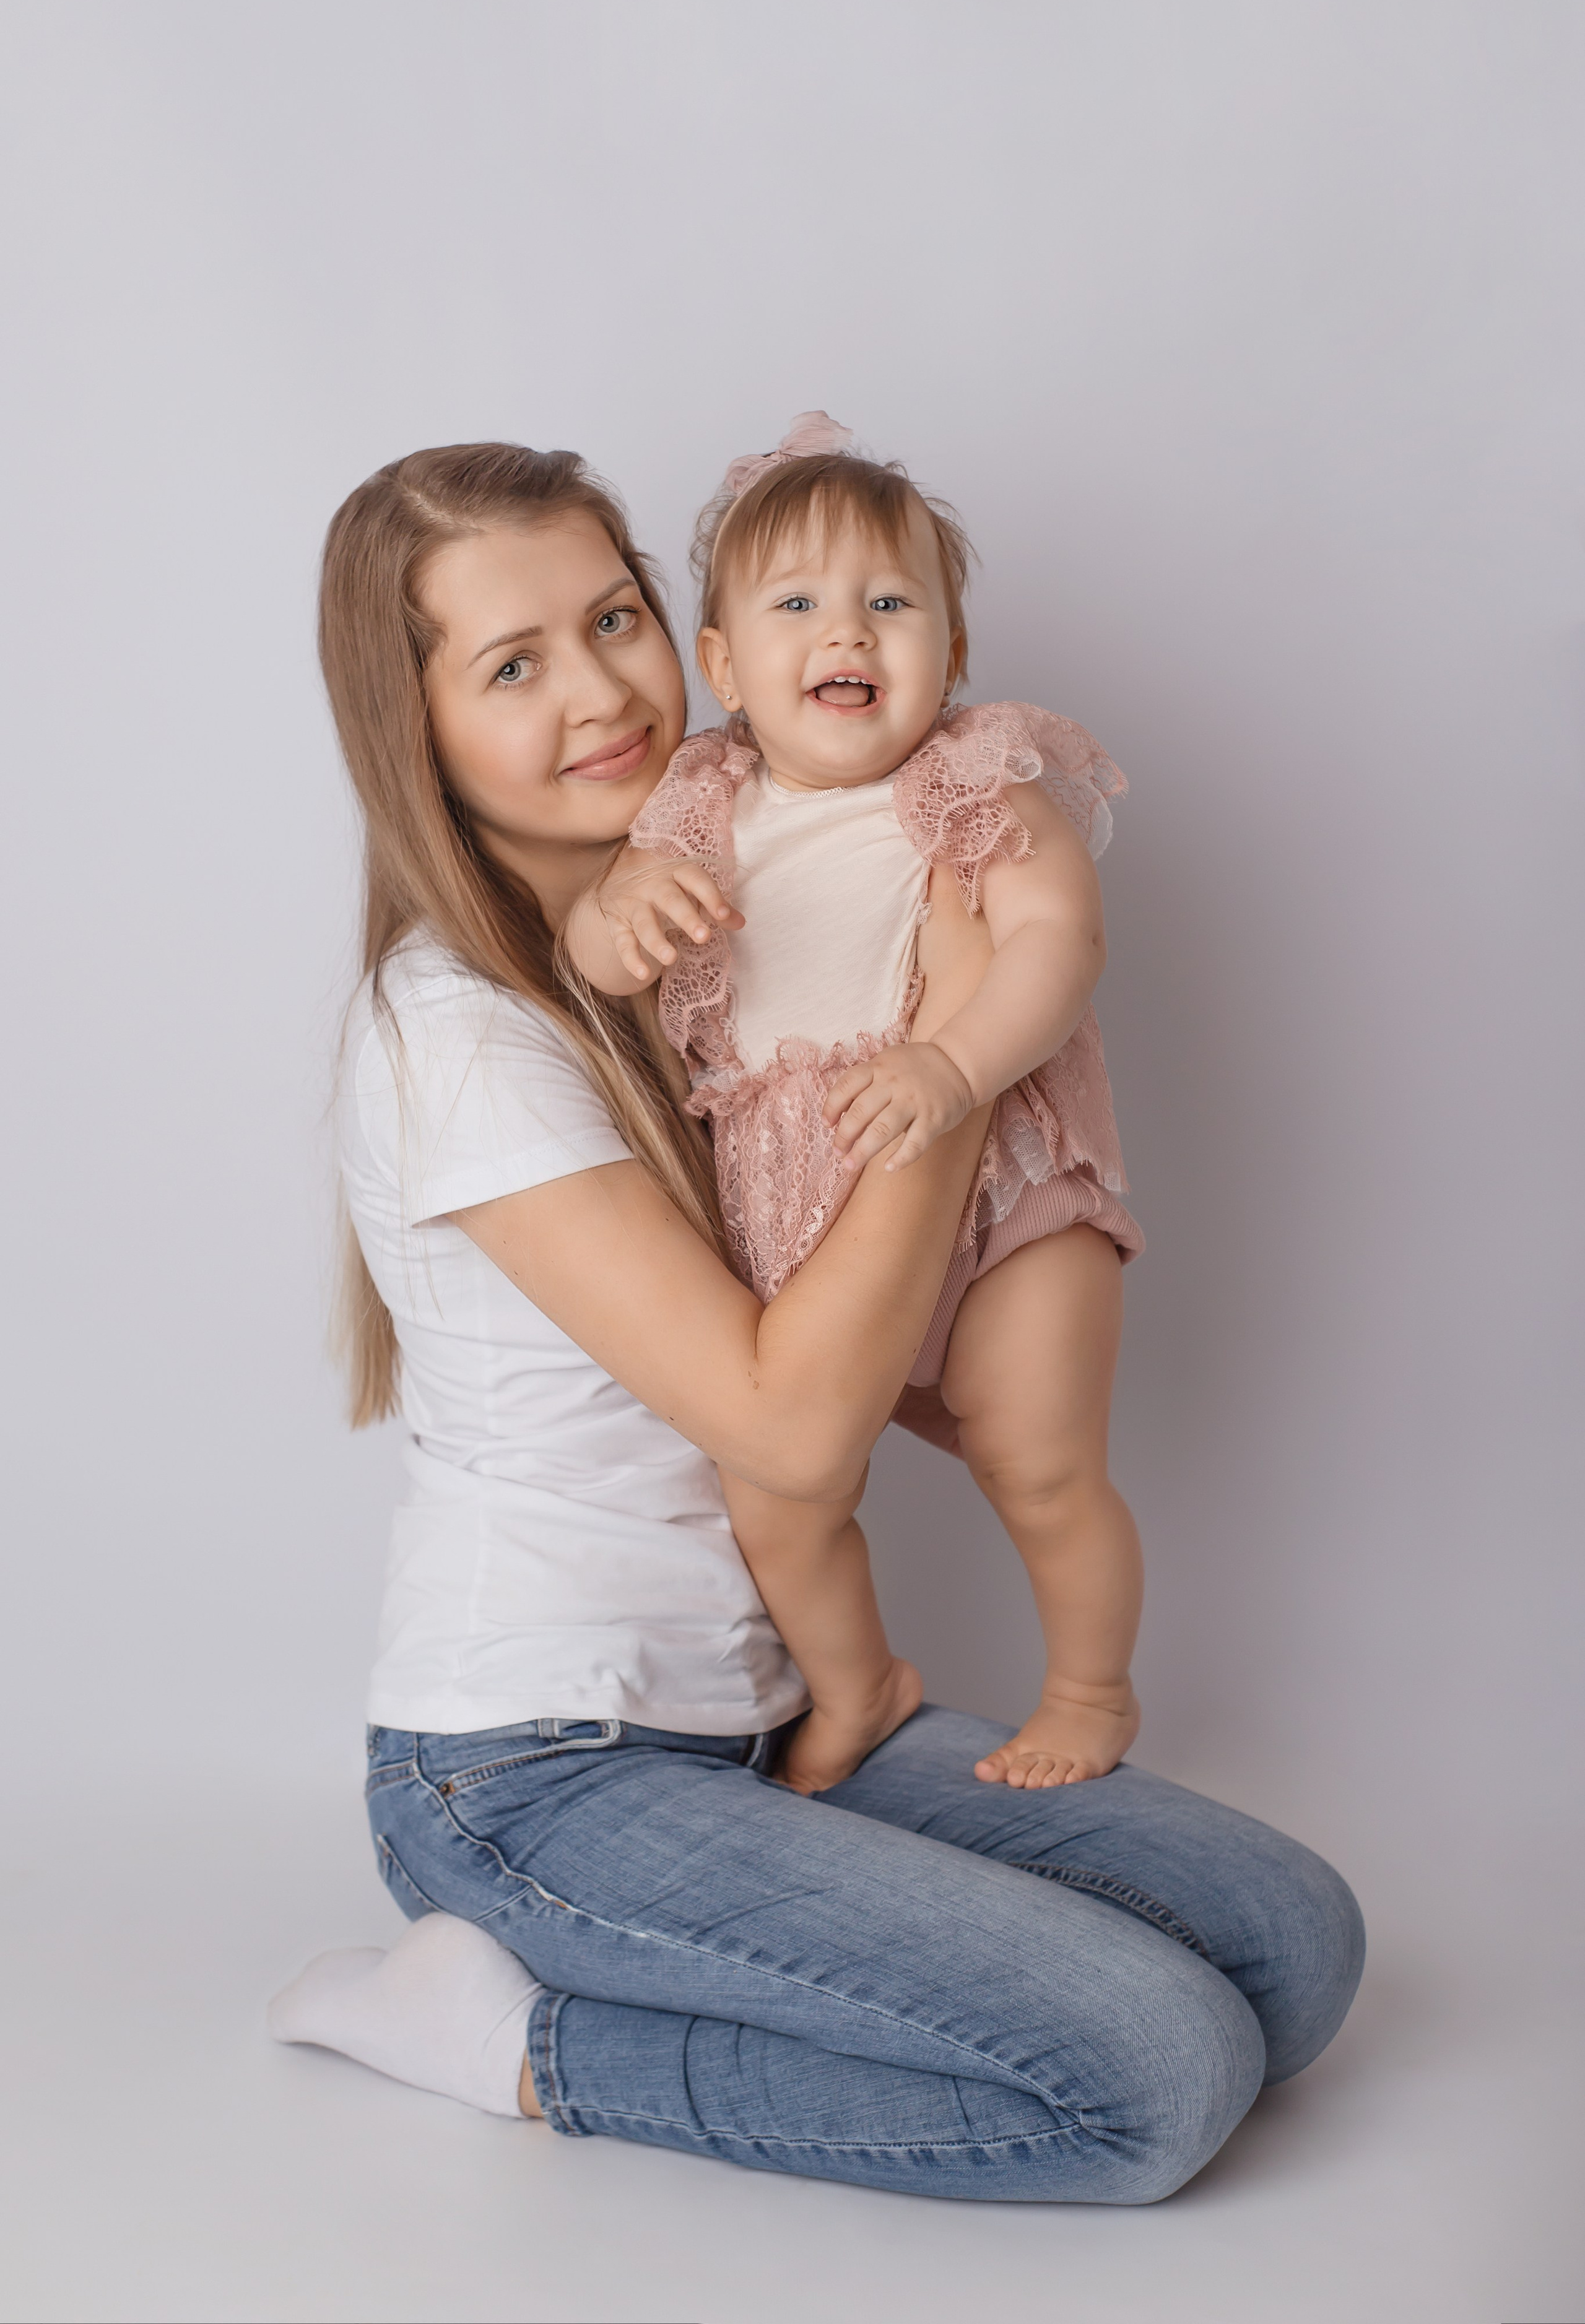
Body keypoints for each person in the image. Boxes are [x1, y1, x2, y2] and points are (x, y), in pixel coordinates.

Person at [267, 440, 1363, 2203]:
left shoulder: (703, 908)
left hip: (765, 1713)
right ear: (418, 730)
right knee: (1154, 2081)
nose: (603, 689)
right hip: (535, 1767)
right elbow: (788, 1430)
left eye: (613, 620)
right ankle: (501, 2032)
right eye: (513, 663)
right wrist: (938, 1049)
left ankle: (807, 1923)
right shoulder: (460, 1030)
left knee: (1295, 1949)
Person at [565, 411, 1145, 1796]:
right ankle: (857, 1680)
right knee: (775, 1488)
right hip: (793, 1214)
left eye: (890, 603)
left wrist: (952, 1064)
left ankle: (1091, 1688)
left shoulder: (965, 781)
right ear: (721, 668)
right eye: (798, 605)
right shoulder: (698, 801)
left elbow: (1059, 940)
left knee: (1040, 1459)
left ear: (948, 653)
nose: (849, 632)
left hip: (994, 1180)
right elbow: (591, 958)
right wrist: (617, 912)